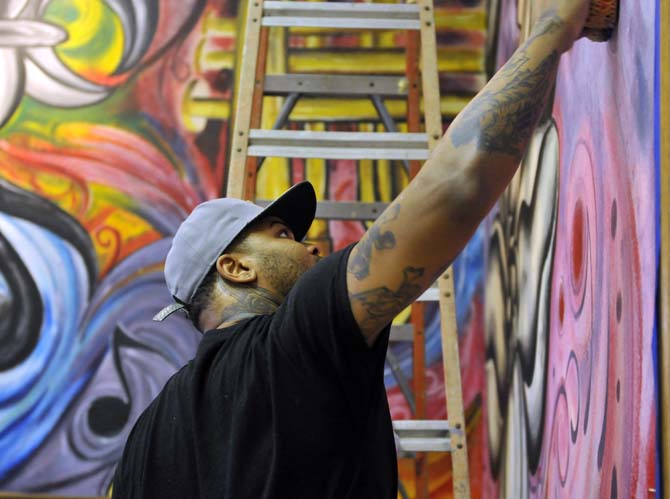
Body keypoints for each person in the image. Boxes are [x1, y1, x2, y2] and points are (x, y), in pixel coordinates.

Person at [112, 1, 590, 497]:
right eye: (281, 235)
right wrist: (553, 28)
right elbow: (456, 188)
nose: (312, 248)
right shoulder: (294, 341)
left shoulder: (144, 443)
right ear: (235, 267)